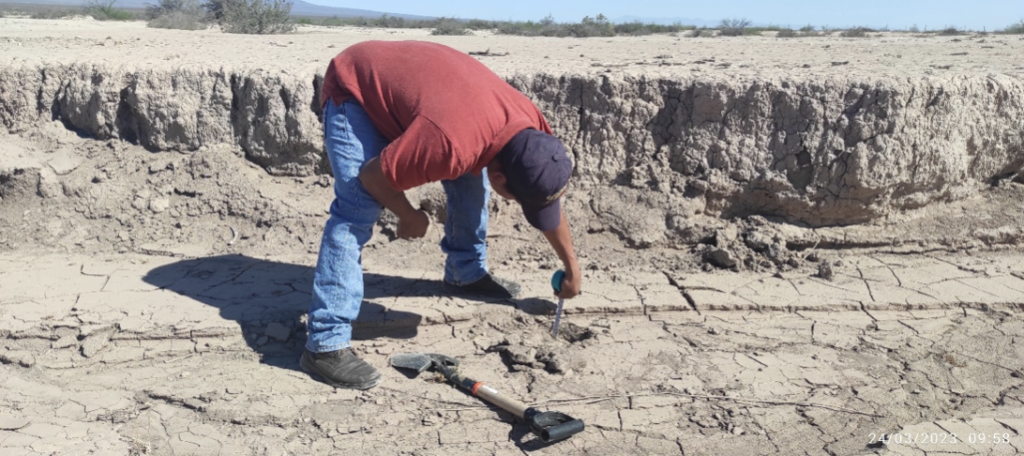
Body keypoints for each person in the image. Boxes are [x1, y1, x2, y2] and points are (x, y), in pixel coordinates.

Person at [301, 40, 582, 390]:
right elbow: (372, 176)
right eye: (516, 199)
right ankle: (325, 345)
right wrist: (408, 215)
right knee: (356, 208)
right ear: (501, 178)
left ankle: (465, 273)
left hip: (434, 100)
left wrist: (571, 265)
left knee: (469, 175)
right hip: (355, 85)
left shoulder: (531, 132)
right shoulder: (449, 142)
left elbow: (545, 196)